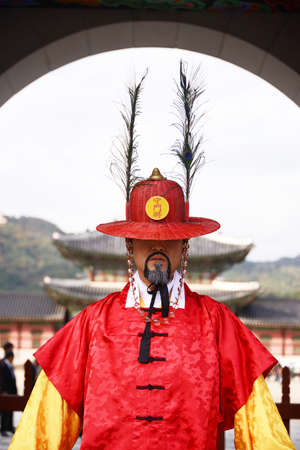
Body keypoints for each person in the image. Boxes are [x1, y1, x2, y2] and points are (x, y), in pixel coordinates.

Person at [9, 168, 294, 449]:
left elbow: (263, 433)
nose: (158, 244)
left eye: (170, 236)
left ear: (185, 245)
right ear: (129, 244)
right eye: (145, 236)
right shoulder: (92, 324)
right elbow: (39, 434)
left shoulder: (217, 323)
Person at [0, 350, 17, 436]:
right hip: (6, 391)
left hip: (11, 392)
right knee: (5, 411)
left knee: (10, 410)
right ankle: (4, 428)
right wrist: (3, 391)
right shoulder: (3, 365)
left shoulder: (9, 365)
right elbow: (2, 379)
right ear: (10, 357)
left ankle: (9, 427)